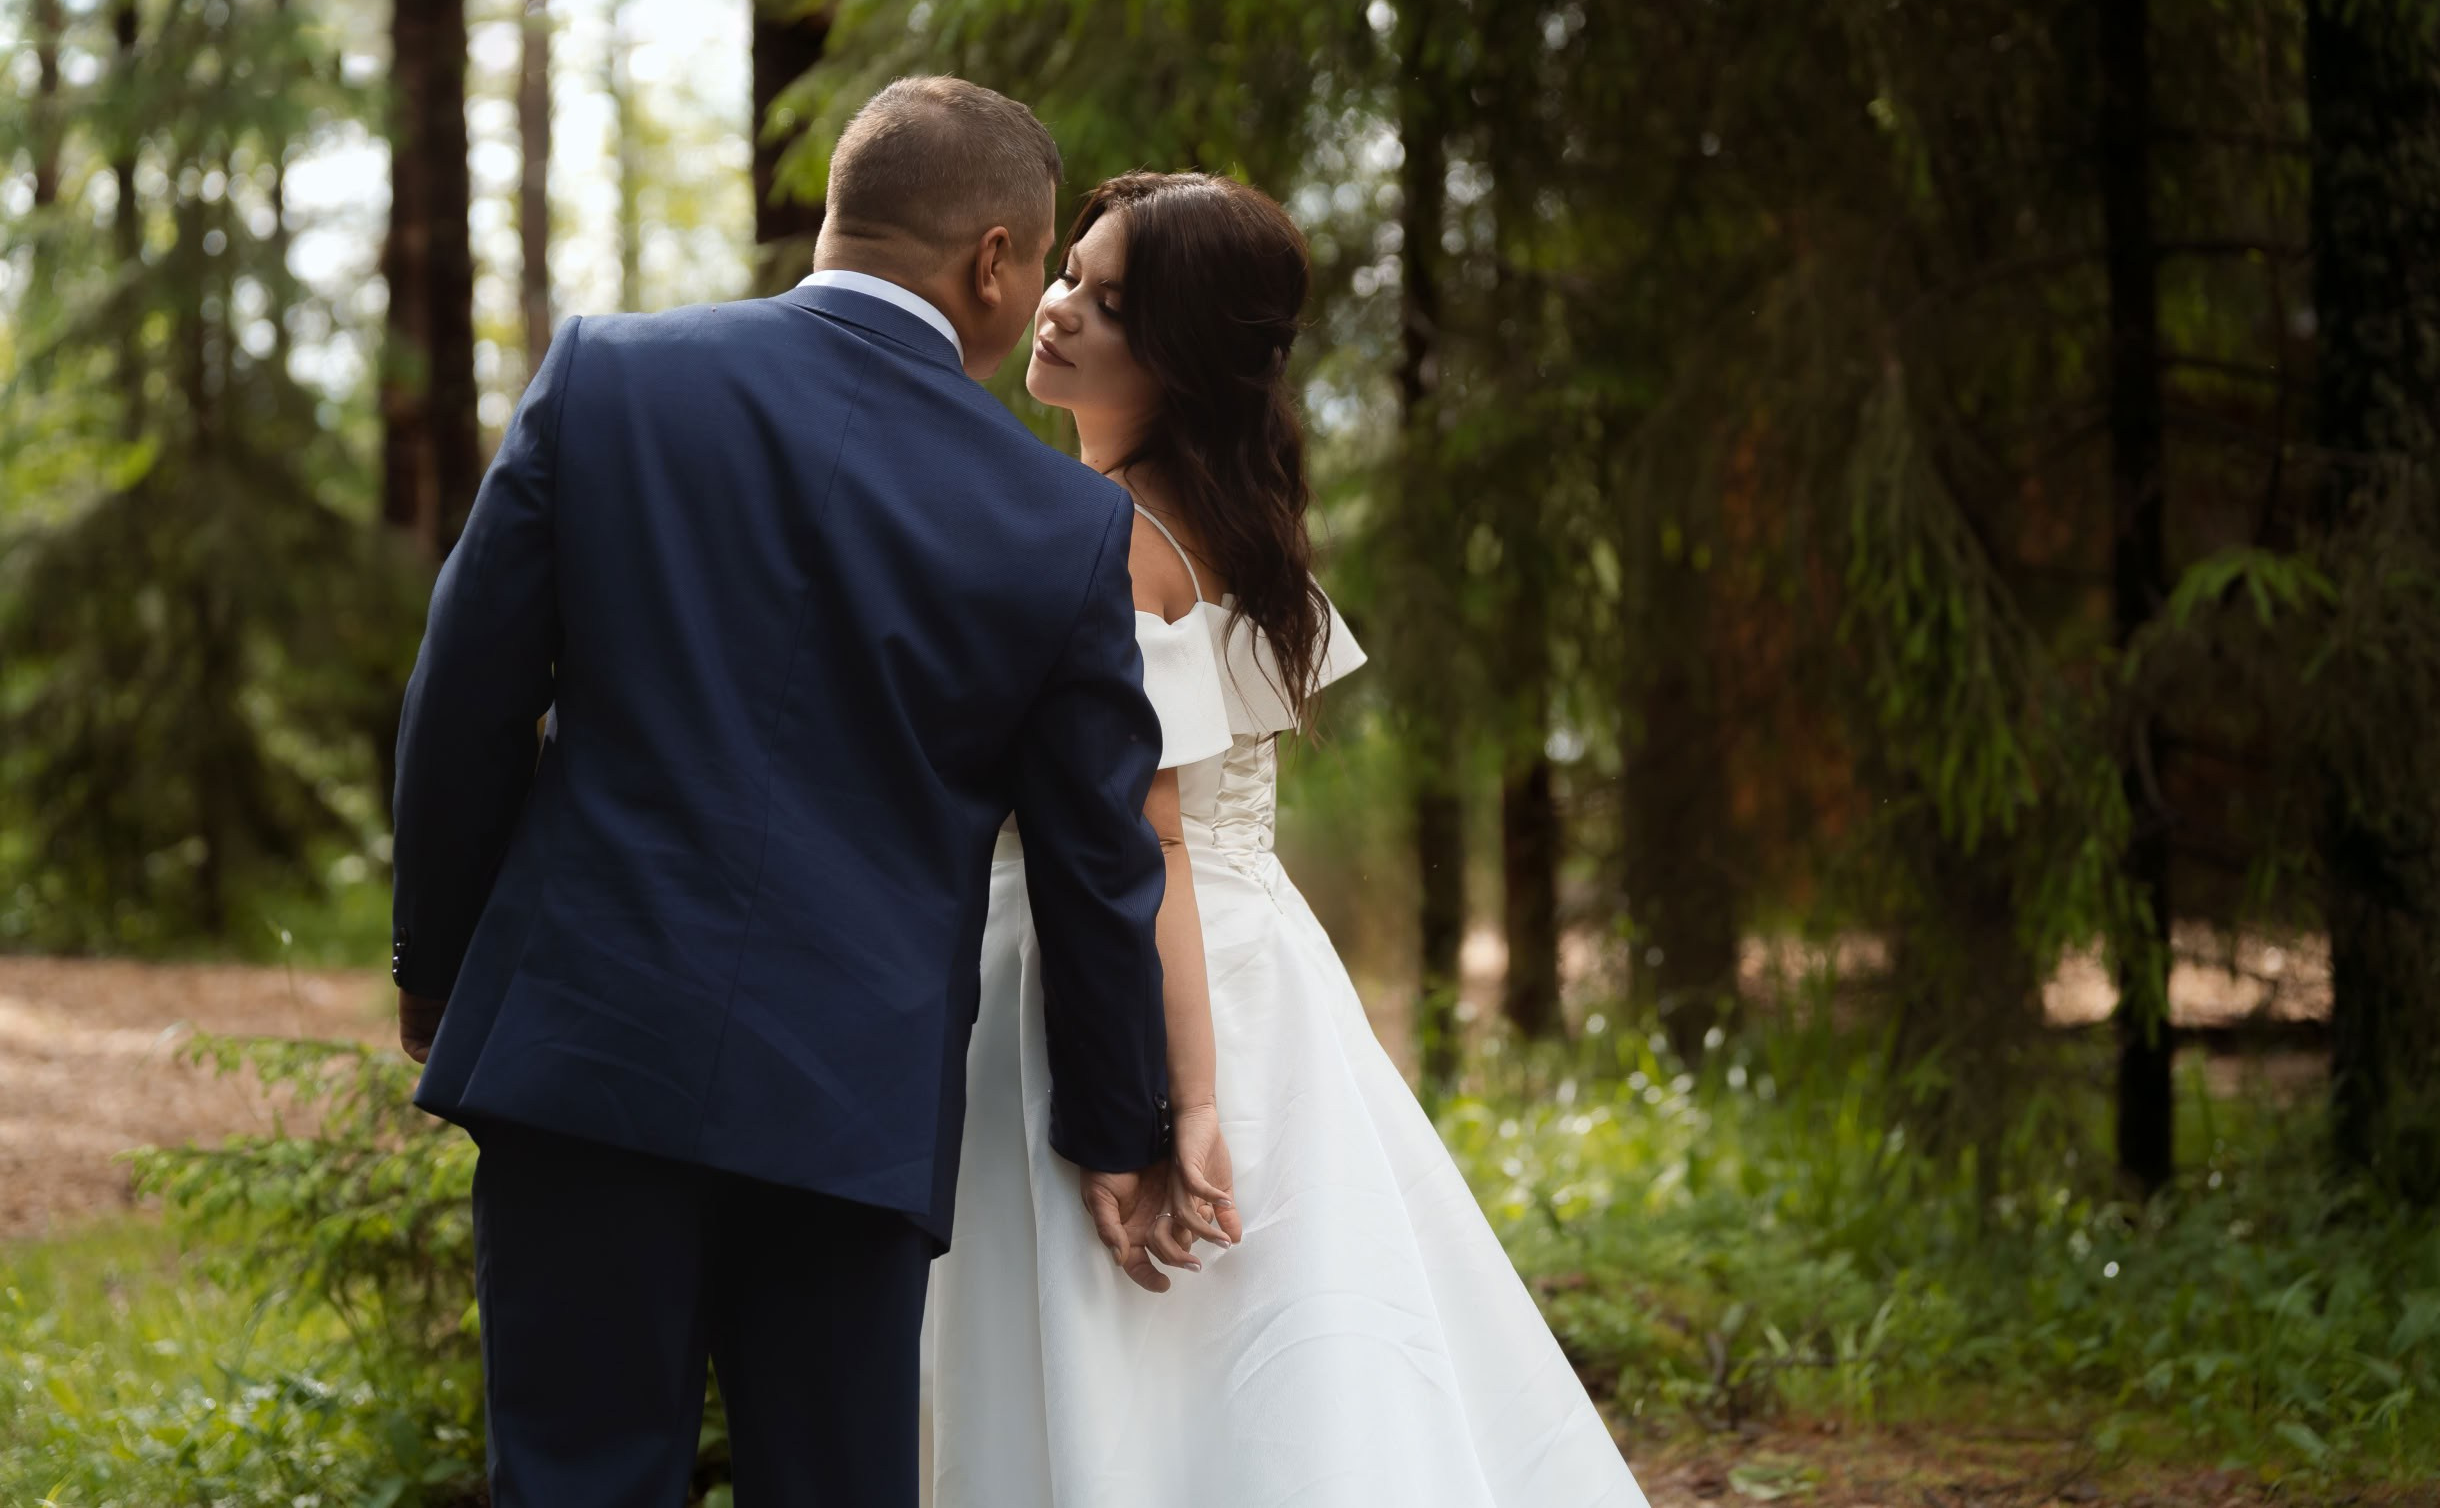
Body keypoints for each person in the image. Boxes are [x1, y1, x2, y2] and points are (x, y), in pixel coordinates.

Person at [388, 76, 1190, 1508]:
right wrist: (1116, 1124)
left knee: (575, 1481)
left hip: (585, 1051)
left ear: (839, 212)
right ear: (995, 260)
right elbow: (1097, 859)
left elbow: (465, 702)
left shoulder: (607, 377)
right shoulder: (1065, 527)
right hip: (851, 1099)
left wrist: (438, 969)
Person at [920, 171, 1651, 1507]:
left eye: (1111, 302)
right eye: (1072, 275)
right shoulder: (1226, 523)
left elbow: (1156, 841)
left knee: (1124, 1337)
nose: (1061, 309)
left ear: (1183, 353)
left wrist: (1177, 1099)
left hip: (1127, 969)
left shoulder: (1124, 537)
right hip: (1264, 967)